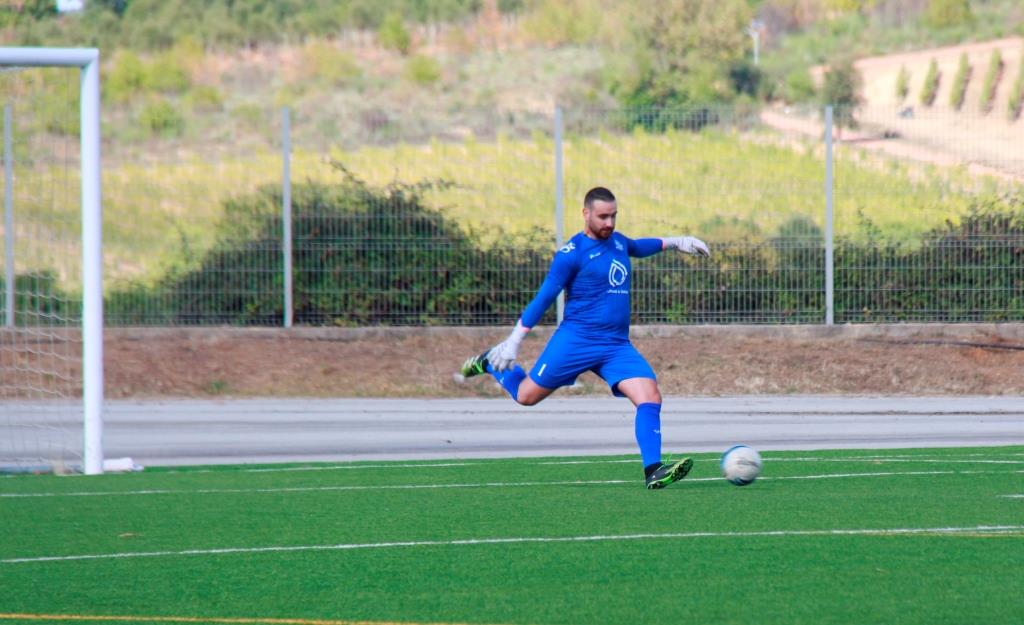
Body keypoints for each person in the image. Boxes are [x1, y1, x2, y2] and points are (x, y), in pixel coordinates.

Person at [457, 186, 710, 489]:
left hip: (615, 345)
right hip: (576, 341)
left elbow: (637, 246)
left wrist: (677, 242)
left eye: (613, 216)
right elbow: (543, 298)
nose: (609, 223)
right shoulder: (571, 254)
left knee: (650, 396)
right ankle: (491, 362)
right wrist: (514, 341)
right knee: (526, 396)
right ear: (586, 213)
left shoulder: (618, 242)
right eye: (603, 216)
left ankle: (653, 470)